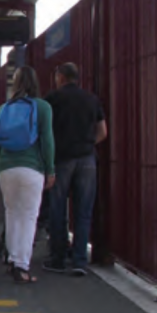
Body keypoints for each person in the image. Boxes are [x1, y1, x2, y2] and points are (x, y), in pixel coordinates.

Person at [42, 62, 107, 277]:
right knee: (83, 211)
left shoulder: (52, 99)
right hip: (87, 158)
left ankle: (58, 258)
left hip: (61, 159)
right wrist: (88, 144)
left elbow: (45, 132)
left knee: (58, 209)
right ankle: (80, 260)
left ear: (60, 77)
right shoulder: (91, 99)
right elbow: (103, 132)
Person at [0, 65, 55, 284]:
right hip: (31, 168)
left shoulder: (3, 109)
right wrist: (50, 169)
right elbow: (47, 142)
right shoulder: (43, 107)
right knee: (29, 216)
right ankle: (22, 266)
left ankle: (12, 259)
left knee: (12, 214)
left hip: (6, 168)